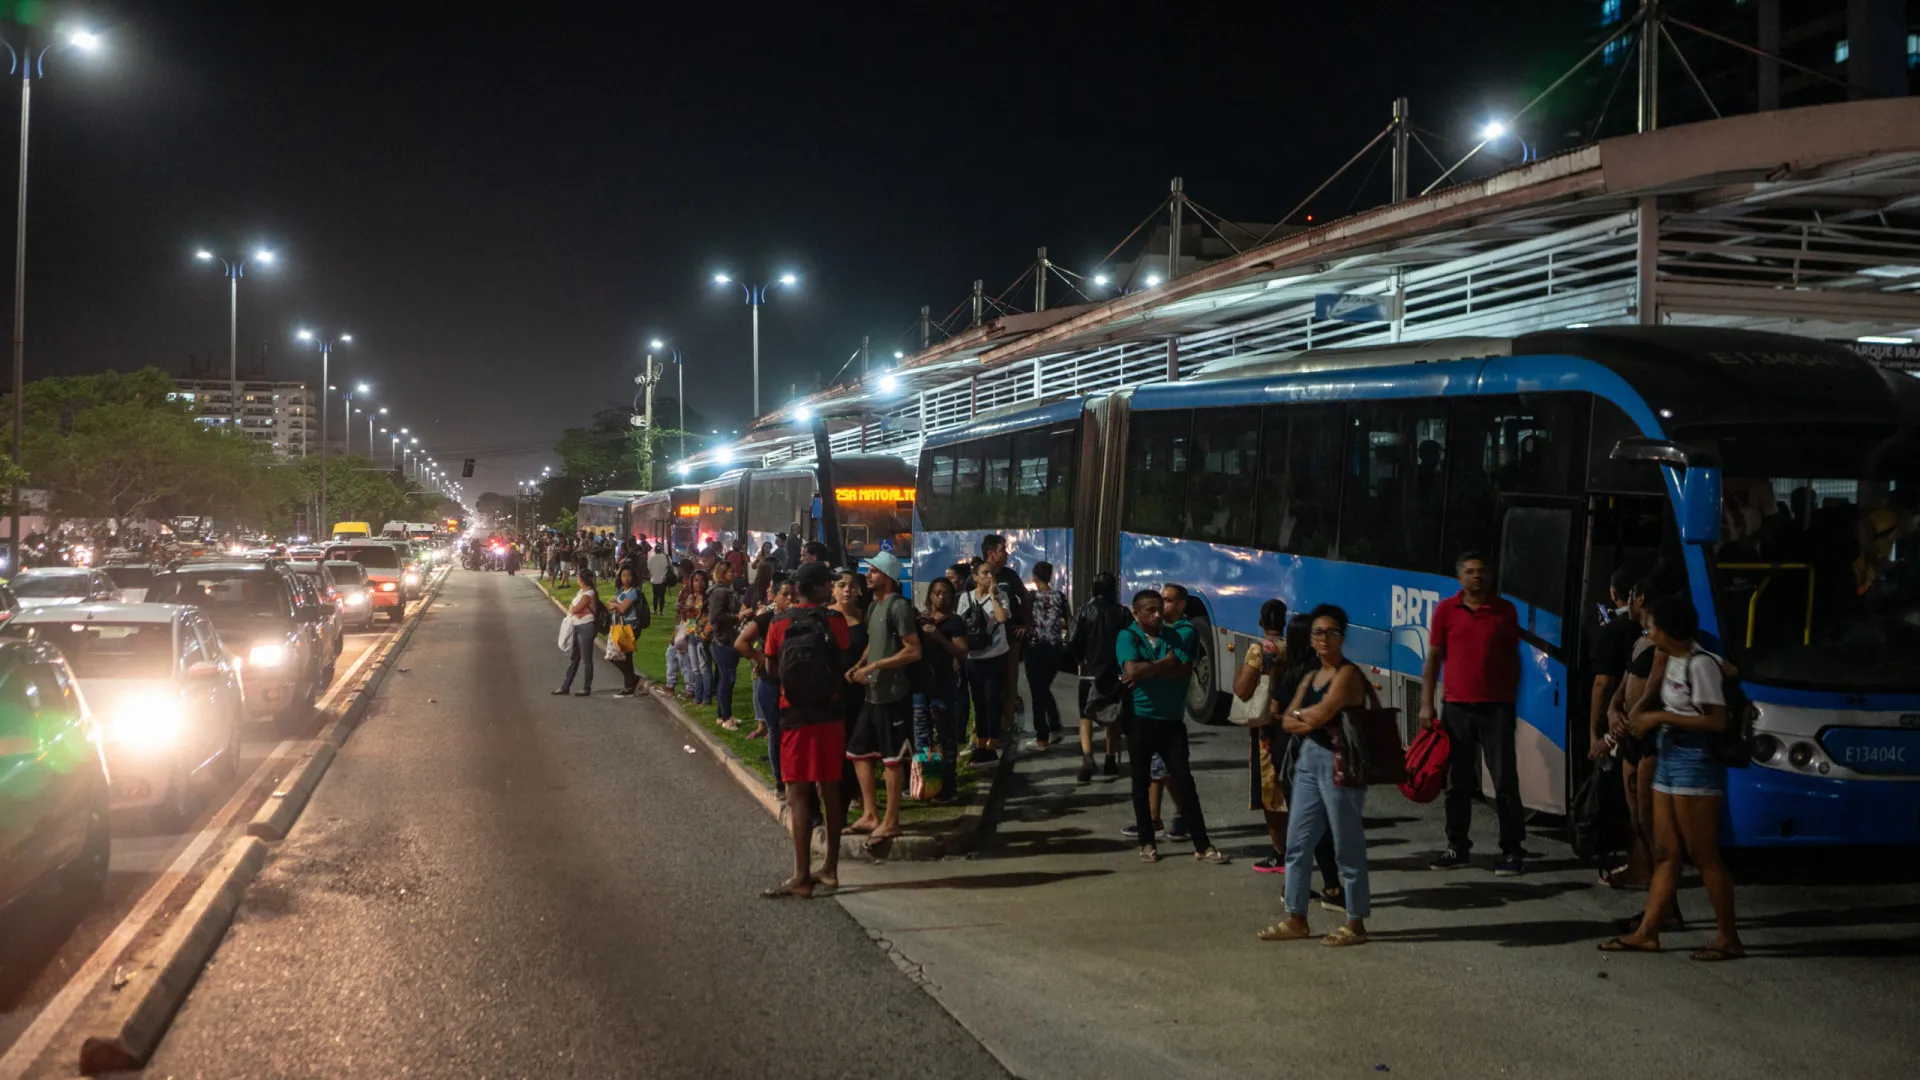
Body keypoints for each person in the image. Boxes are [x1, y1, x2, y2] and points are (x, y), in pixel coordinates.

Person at [1601, 595, 1745, 962]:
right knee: (1666, 851)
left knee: (1704, 855)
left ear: (1667, 629)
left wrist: (1660, 718)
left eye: (1652, 627)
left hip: (1694, 762)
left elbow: (1716, 720)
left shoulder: (1700, 664)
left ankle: (1728, 937)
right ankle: (1647, 933)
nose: (1648, 632)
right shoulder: (1675, 660)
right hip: (1669, 757)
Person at [1259, 604, 1371, 946]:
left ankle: (1355, 922)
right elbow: (1286, 721)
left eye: (1331, 633)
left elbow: (1320, 714)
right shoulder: (1311, 677)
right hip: (1309, 758)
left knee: (1346, 844)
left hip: (1340, 761)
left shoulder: (1347, 674)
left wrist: (1302, 716)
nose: (1324, 639)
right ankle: (1296, 917)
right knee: (1298, 842)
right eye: (1318, 633)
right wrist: (1304, 718)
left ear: (1342, 637)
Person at [1422, 552, 1527, 876]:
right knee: (1457, 782)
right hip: (1456, 708)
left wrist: (1511, 700)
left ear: (1490, 576)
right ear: (1460, 577)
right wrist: (1426, 704)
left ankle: (1512, 850)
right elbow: (1434, 658)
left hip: (1496, 709)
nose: (1476, 577)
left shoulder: (1505, 611)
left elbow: (1514, 658)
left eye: (1481, 571)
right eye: (1469, 571)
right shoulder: (1446, 610)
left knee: (1504, 781)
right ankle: (1457, 847)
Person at [760, 562, 852, 899]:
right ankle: (830, 868)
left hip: (794, 715)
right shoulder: (835, 620)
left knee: (797, 795)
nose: (831, 588)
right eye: (828, 583)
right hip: (829, 714)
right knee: (830, 790)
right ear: (817, 588)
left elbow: (771, 667)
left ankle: (801, 875)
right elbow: (843, 660)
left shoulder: (779, 622)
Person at [1118, 589, 1229, 865]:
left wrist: (1149, 669)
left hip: (1171, 721)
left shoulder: (1174, 635)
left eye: (1160, 609)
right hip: (1140, 719)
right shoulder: (1128, 637)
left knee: (1184, 781)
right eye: (1151, 611)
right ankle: (1147, 841)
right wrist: (1164, 664)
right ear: (1136, 612)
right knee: (1140, 782)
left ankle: (1202, 845)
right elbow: (1132, 671)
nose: (1158, 615)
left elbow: (1182, 670)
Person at [845, 552, 921, 843]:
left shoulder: (898, 607)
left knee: (892, 759)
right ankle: (870, 814)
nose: (868, 575)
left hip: (892, 695)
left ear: (888, 576)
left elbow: (913, 650)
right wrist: (859, 665)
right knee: (858, 751)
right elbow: (873, 643)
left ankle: (891, 821)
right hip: (872, 695)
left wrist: (876, 666)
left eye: (874, 571)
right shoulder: (874, 607)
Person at [1588, 566, 1645, 886]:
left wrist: (1597, 735)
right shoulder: (1655, 638)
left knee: (1633, 807)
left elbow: (1604, 684)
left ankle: (1639, 866)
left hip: (1630, 735)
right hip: (1630, 730)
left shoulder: (1639, 640)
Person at [1067, 571, 1131, 783]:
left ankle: (1088, 757)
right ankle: (1110, 758)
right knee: (1112, 714)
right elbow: (1132, 638)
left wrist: (1081, 660)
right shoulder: (1122, 612)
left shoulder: (1084, 611)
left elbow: (1072, 640)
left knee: (1085, 715)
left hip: (1089, 673)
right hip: (1115, 673)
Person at [914, 575, 970, 800]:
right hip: (921, 683)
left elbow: (962, 652)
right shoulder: (922, 619)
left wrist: (938, 637)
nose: (940, 596)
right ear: (929, 595)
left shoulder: (954, 622)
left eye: (945, 592)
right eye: (936, 592)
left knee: (945, 732)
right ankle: (927, 782)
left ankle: (948, 782)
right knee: (922, 734)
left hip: (944, 683)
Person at [737, 580, 797, 778]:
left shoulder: (799, 618)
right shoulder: (767, 619)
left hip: (793, 683)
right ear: (775, 596)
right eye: (785, 594)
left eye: (793, 594)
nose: (790, 598)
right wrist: (760, 657)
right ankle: (778, 777)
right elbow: (740, 643)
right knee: (775, 730)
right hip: (769, 682)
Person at [957, 561, 1013, 765]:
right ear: (975, 578)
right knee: (978, 702)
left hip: (995, 655)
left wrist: (993, 596)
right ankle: (980, 745)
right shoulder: (965, 597)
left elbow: (1002, 618)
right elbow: (960, 623)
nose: (990, 576)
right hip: (973, 657)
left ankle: (992, 746)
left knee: (992, 700)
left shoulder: (1001, 595)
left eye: (991, 573)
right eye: (985, 573)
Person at [980, 535, 1032, 741]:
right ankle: (984, 732)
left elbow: (1025, 597)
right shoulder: (978, 575)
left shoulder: (1010, 575)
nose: (1007, 554)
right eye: (1002, 550)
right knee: (988, 688)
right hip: (986, 642)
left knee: (1009, 686)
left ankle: (1005, 729)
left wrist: (1025, 624)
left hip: (1010, 639)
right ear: (990, 553)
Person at [1023, 560, 1069, 751]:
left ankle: (1042, 737)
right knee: (1043, 688)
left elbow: (1025, 620)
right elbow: (1069, 620)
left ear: (1034, 577)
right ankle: (1055, 727)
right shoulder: (1060, 596)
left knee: (1037, 691)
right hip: (1055, 648)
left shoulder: (1031, 597)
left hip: (1035, 648)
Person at [708, 560, 745, 728]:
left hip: (725, 639)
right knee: (727, 678)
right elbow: (715, 617)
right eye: (731, 571)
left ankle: (722, 715)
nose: (734, 574)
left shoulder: (726, 591)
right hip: (722, 640)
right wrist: (736, 617)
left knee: (725, 678)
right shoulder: (720, 592)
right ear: (723, 574)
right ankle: (726, 717)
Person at [554, 569, 601, 697]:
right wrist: (575, 609)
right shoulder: (582, 592)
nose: (578, 580)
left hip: (586, 627)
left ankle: (586, 688)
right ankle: (565, 686)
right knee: (574, 658)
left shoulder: (589, 593)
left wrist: (574, 609)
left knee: (586, 660)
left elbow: (575, 609)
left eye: (579, 578)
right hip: (578, 626)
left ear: (582, 580)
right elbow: (574, 609)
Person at [678, 568, 713, 704]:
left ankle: (706, 698)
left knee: (705, 668)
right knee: (695, 668)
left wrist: (696, 611)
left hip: (702, 636)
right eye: (696, 580)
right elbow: (686, 619)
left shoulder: (708, 599)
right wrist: (684, 611)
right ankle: (698, 697)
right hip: (691, 635)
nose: (699, 583)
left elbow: (708, 617)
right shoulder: (690, 598)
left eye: (702, 580)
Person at [608, 566, 644, 696]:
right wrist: (616, 605)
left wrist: (616, 605)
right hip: (620, 627)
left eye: (629, 575)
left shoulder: (633, 592)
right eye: (624, 575)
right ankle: (632, 679)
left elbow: (623, 609)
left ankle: (629, 685)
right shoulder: (621, 591)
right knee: (615, 656)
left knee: (625, 656)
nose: (626, 578)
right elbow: (608, 605)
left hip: (630, 627)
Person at [749, 542, 777, 606]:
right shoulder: (760, 556)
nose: (767, 548)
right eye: (765, 546)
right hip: (759, 577)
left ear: (771, 548)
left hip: (768, 578)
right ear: (763, 547)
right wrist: (757, 560)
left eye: (769, 547)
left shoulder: (771, 557)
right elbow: (753, 566)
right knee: (757, 593)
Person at [647, 543, 672, 614]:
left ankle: (655, 610)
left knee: (655, 595)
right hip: (663, 579)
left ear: (655, 550)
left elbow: (649, 568)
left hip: (654, 580)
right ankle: (661, 611)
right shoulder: (666, 558)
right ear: (662, 550)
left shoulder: (651, 558)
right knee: (662, 596)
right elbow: (670, 565)